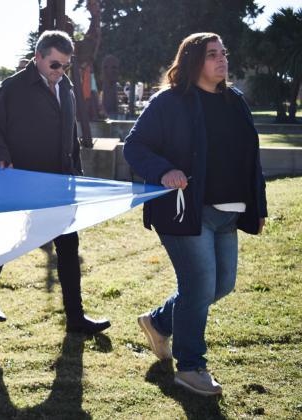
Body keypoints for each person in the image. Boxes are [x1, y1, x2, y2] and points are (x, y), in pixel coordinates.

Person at [124, 32, 267, 396]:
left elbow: (252, 158)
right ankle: (190, 367)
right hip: (184, 212)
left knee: (221, 286)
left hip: (229, 213)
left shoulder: (235, 100)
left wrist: (259, 207)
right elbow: (135, 145)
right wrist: (163, 171)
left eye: (224, 53)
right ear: (192, 61)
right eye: (212, 54)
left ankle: (157, 323)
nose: (222, 60)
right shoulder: (170, 102)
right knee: (198, 286)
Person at [0, 31, 111, 333]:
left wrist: (75, 172)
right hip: (18, 183)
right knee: (3, 245)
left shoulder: (67, 87)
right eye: (54, 65)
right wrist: (1, 156)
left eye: (65, 65)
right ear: (38, 57)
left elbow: (69, 135)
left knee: (68, 248)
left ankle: (75, 318)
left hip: (59, 186)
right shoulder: (12, 88)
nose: (59, 71)